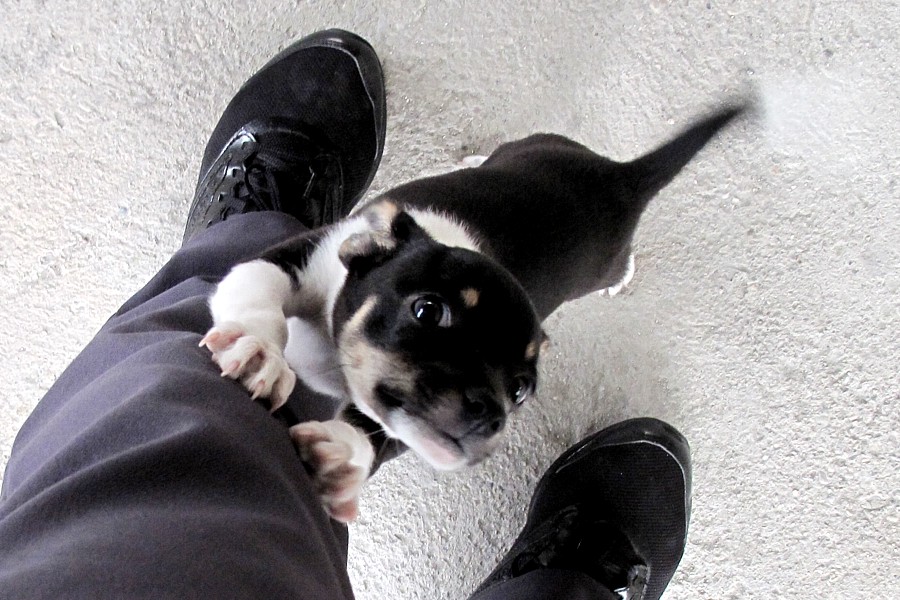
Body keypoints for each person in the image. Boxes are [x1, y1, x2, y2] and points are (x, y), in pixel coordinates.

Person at [0, 29, 691, 600]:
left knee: (170, 392)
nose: (486, 404)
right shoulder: (390, 247)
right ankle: (565, 591)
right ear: (370, 249)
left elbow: (393, 406)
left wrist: (354, 439)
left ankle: (247, 242)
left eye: (515, 388)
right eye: (430, 312)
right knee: (214, 385)